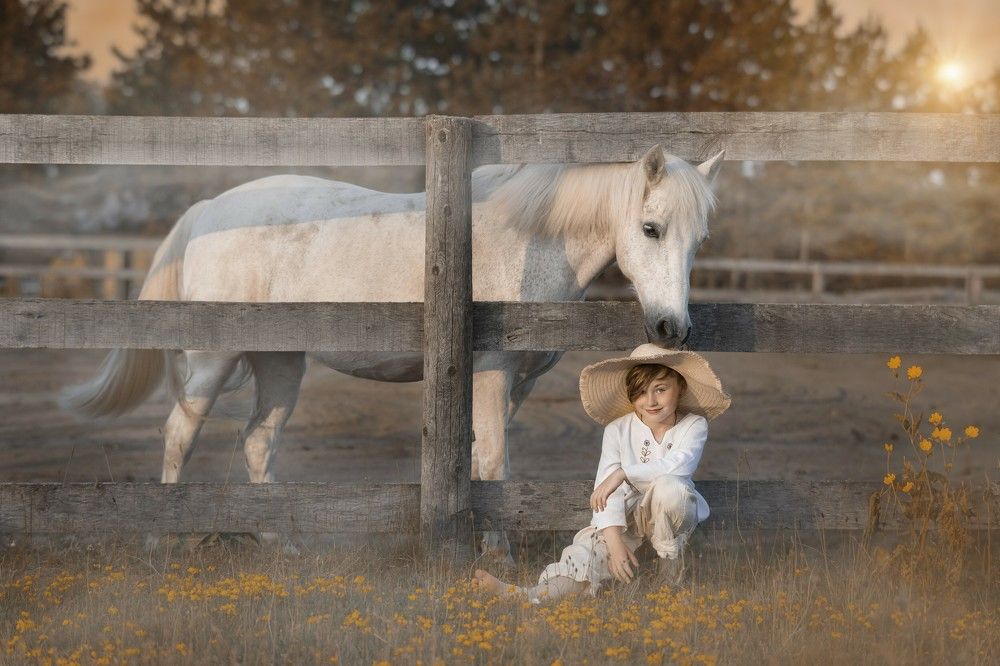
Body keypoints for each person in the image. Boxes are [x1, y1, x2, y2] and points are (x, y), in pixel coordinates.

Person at [473, 343, 731, 603]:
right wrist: (615, 543)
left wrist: (623, 474)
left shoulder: (694, 425)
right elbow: (606, 495)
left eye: (660, 390)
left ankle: (668, 574)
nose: (651, 401)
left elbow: (680, 464)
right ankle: (522, 596)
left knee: (670, 488)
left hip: (667, 521)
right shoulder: (617, 429)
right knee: (583, 562)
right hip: (623, 522)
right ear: (631, 396)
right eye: (641, 392)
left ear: (680, 388)